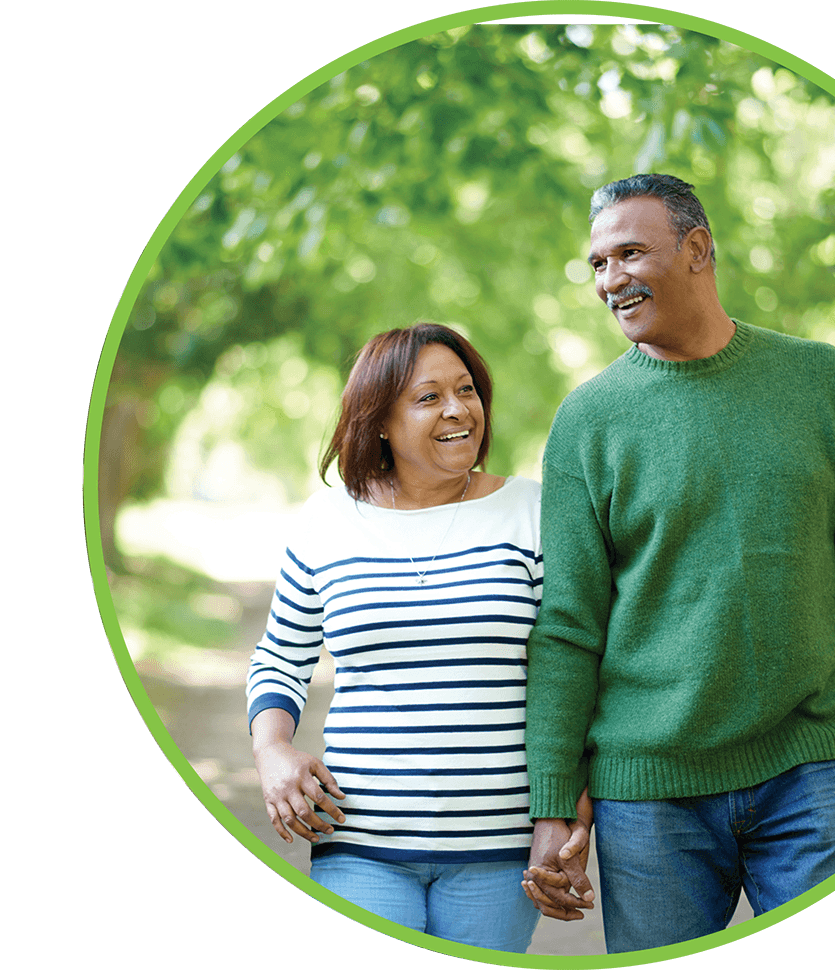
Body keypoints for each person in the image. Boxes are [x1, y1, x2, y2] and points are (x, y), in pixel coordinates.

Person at [520, 174, 835, 952]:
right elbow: (568, 626)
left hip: (812, 770)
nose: (610, 280)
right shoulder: (588, 422)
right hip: (650, 794)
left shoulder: (821, 380)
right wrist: (553, 807)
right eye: (597, 265)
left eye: (630, 254)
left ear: (698, 250)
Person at [245, 322, 591, 953]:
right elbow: (280, 659)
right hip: (359, 841)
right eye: (428, 397)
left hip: (499, 849)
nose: (458, 410)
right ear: (379, 420)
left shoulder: (534, 512)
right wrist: (273, 750)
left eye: (467, 391)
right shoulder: (327, 521)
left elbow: (571, 673)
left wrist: (563, 815)